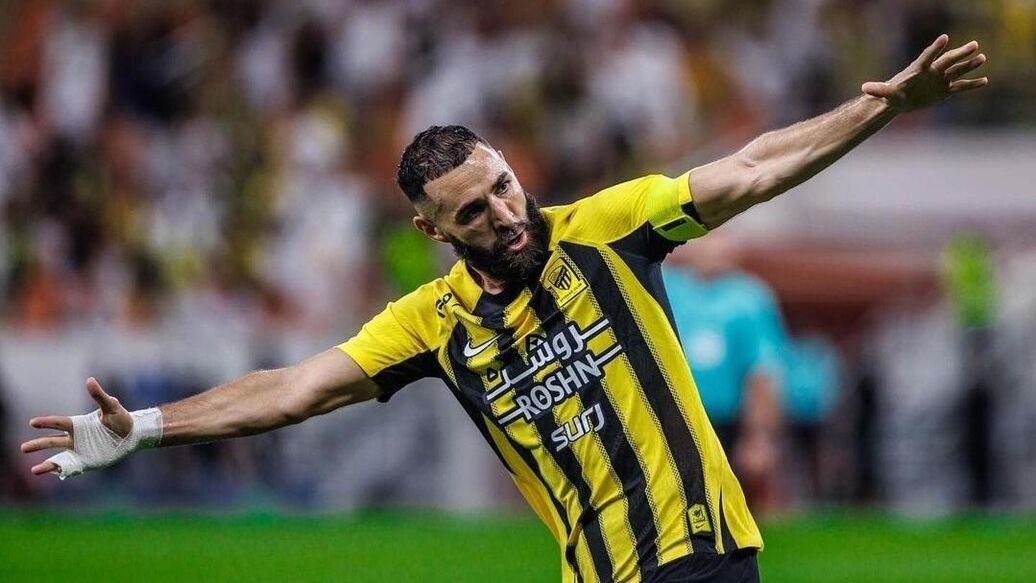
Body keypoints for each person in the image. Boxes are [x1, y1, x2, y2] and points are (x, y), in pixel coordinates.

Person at [21, 35, 987, 583]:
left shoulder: (607, 228)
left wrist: (880, 108)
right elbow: (293, 388)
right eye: (474, 212)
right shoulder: (431, 323)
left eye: (504, 186)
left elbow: (750, 169)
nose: (506, 214)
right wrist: (148, 427)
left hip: (702, 557)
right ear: (433, 228)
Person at [663, 234, 787, 515]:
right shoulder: (669, 286)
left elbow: (763, 370)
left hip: (726, 420)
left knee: (728, 505)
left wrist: (759, 436)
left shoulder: (750, 297)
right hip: (673, 417)